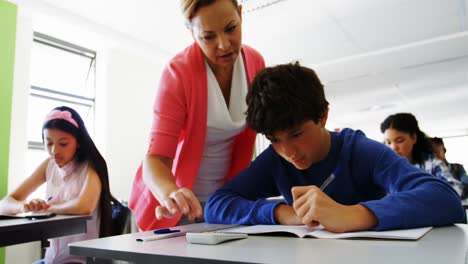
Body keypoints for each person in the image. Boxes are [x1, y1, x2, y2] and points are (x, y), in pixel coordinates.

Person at [204, 62, 464, 232]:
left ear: (323, 117)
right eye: (274, 139)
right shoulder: (275, 159)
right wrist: (281, 212)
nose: (288, 151)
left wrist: (354, 215)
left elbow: (445, 199)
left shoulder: (360, 151)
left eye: (296, 134)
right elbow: (215, 205)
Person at [128, 0, 265, 231]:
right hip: (177, 205)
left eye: (231, 28)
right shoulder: (178, 72)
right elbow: (156, 159)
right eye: (208, 37)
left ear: (241, 14)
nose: (223, 45)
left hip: (223, 203)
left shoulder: (255, 63)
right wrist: (170, 193)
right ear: (191, 32)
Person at [0, 106, 114, 264]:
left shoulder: (90, 166)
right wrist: (26, 206)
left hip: (78, 260)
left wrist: (46, 208)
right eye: (49, 143)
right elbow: (5, 203)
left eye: (63, 144)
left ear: (78, 142)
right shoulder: (49, 165)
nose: (54, 151)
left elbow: (85, 206)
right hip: (51, 259)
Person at [380, 113, 463, 197]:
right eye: (388, 142)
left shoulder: (432, 165)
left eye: (399, 140)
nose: (393, 148)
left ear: (414, 138)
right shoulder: (385, 170)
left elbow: (456, 189)